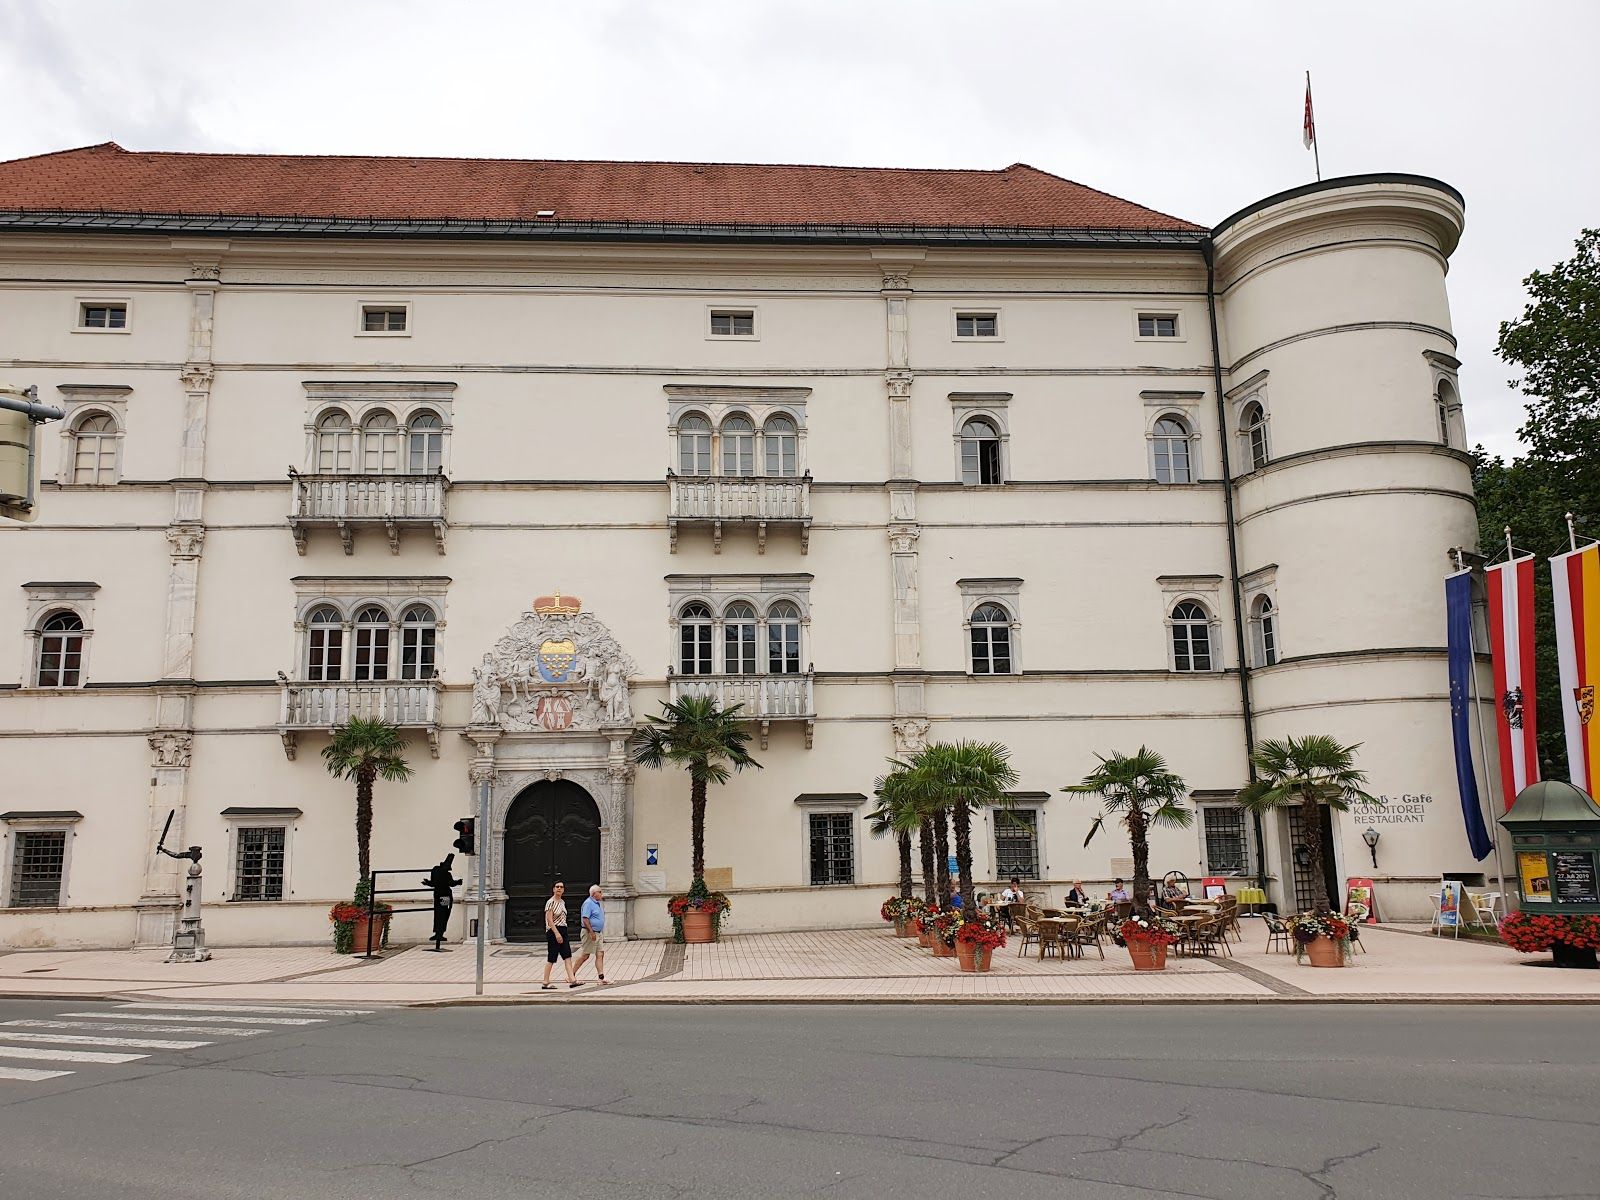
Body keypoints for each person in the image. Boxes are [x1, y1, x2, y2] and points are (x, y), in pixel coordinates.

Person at [541, 881, 581, 990]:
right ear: (553, 889)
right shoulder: (550, 902)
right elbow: (549, 920)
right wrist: (556, 933)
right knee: (552, 957)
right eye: (557, 887)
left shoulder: (562, 902)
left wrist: (562, 933)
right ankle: (545, 981)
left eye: (561, 887)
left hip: (563, 929)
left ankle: (572, 980)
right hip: (553, 931)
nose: (559, 888)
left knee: (567, 955)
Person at [573, 884, 607, 983]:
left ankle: (601, 978)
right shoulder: (588, 903)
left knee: (600, 953)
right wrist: (591, 932)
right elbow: (585, 919)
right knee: (585, 955)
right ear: (593, 894)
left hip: (598, 933)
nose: (601, 894)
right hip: (590, 933)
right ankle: (571, 974)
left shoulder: (597, 903)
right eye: (599, 892)